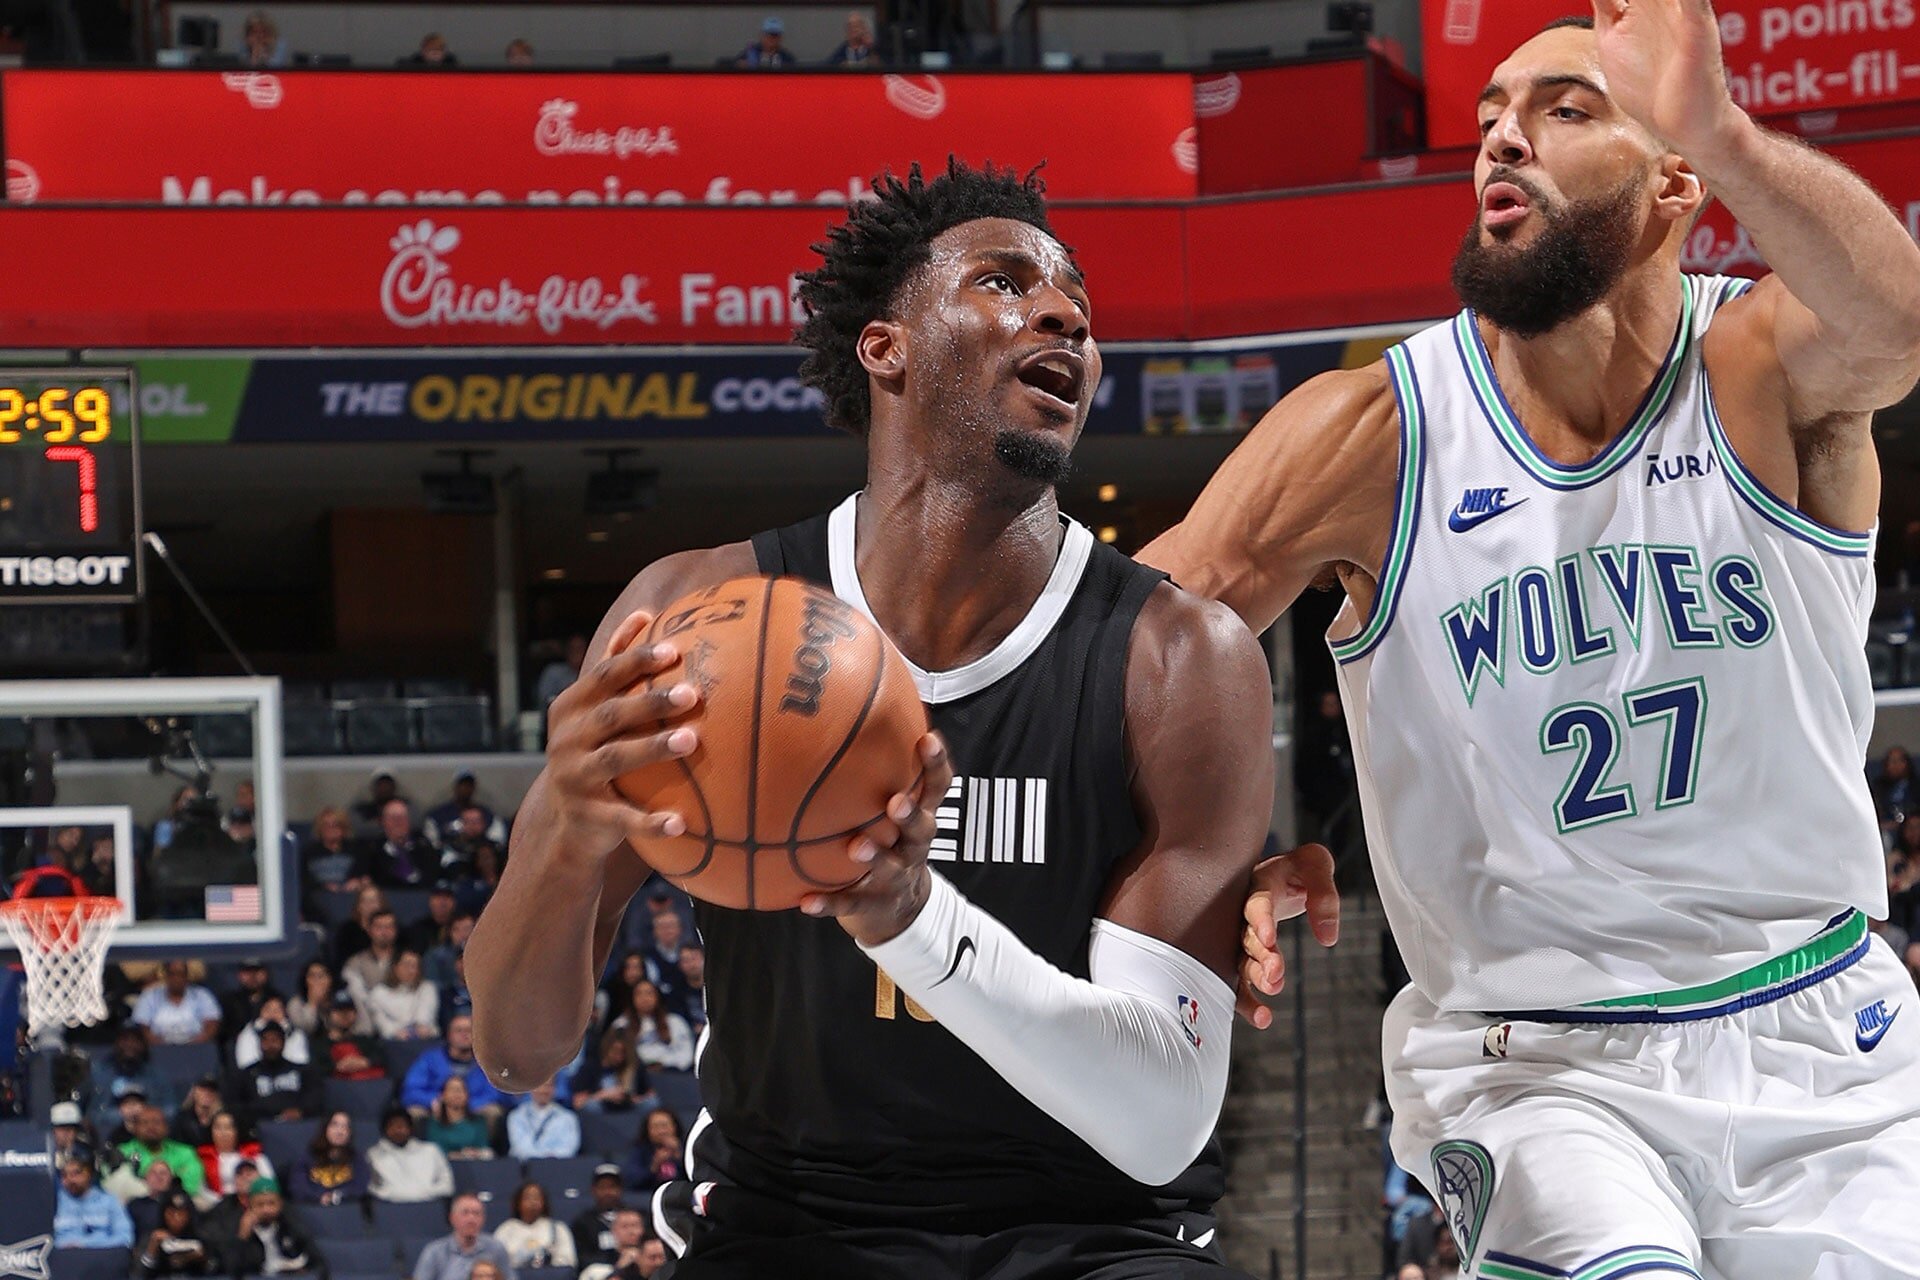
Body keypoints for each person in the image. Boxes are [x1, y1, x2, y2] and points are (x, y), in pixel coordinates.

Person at [1147, 11, 1920, 1279]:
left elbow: (1895, 328)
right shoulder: (1378, 432)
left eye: (1566, 108)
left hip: (1822, 1037)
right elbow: (1128, 654)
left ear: (1675, 179)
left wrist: (1723, 129)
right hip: (1539, 1058)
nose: (1504, 133)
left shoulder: (1758, 370)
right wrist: (1205, 837)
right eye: (1495, 110)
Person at [471, 160, 1278, 1276]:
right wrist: (564, 827)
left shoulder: (1179, 658)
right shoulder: (689, 619)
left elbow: (1159, 1121)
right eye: (1003, 281)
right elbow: (517, 1051)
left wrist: (910, 917)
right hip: (791, 1221)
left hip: (1097, 1234)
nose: (1064, 315)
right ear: (885, 344)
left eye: (1078, 307)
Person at [402, 1012, 509, 1117]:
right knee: (414, 1111)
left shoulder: (486, 1061)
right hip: (436, 1110)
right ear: (449, 1035)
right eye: (459, 1031)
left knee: (493, 1111)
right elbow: (411, 1090)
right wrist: (438, 1101)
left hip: (473, 1110)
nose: (464, 1035)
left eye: (469, 1031)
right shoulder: (429, 1059)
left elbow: (495, 1094)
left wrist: (466, 1104)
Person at [218, 1178, 313, 1278]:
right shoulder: (236, 1226)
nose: (266, 1210)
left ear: (280, 1204)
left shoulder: (290, 1225)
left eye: (271, 1203)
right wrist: (243, 1235)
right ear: (250, 1205)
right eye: (260, 1205)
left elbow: (315, 1257)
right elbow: (233, 1270)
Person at [230, 1022, 319, 1128]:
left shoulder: (302, 1071)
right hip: (259, 1127)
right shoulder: (247, 1074)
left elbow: (315, 1097)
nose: (270, 1045)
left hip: (297, 1126)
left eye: (275, 1040)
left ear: (283, 1042)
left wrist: (301, 1111)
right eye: (265, 1040)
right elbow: (237, 1105)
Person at [414, 1193, 517, 1280]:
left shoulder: (496, 1248)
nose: (471, 1219)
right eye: (465, 1213)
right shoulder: (434, 1252)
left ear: (483, 1219)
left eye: (476, 1213)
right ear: (452, 1218)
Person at [368, 1106, 454, 1202]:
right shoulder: (373, 1155)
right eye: (393, 1126)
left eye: (402, 1126)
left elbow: (447, 1185)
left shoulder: (431, 1150)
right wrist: (399, 1194)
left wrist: (423, 1193)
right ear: (385, 1129)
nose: (398, 1130)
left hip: (429, 1206)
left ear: (410, 1128)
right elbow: (372, 1188)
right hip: (391, 1208)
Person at [121, 1103, 207, 1199]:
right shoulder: (123, 1152)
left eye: (156, 1122)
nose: (151, 1127)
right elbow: (121, 1185)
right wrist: (174, 1177)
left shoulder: (185, 1153)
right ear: (136, 1128)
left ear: (166, 1127)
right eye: (145, 1123)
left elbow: (191, 1185)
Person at [608, 981, 692, 1074]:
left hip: (671, 1074)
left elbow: (686, 1054)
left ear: (658, 997)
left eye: (649, 993)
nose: (644, 998)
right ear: (632, 998)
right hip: (635, 1077)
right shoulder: (621, 1024)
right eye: (639, 994)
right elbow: (614, 1056)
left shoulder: (675, 1022)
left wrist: (664, 1064)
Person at [54, 1153, 134, 1249]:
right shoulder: (53, 1202)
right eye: (64, 1175)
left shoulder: (109, 1201)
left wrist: (85, 1244)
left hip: (100, 1257)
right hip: (63, 1258)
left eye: (76, 1173)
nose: (70, 1179)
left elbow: (125, 1238)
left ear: (88, 1174)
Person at [132, 961, 221, 1045]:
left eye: (181, 974)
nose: (177, 978)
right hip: (158, 1051)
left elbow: (212, 1025)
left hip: (196, 1050)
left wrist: (191, 1046)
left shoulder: (202, 994)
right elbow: (143, 1027)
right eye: (172, 974)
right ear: (166, 976)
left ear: (187, 976)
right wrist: (163, 1046)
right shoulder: (150, 995)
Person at [494, 1182, 578, 1270]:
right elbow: (496, 1264)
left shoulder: (558, 1229)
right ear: (518, 1202)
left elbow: (568, 1263)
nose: (532, 1202)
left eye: (536, 1198)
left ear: (543, 1202)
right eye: (528, 1198)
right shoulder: (506, 1230)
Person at [292, 1110, 368, 1206]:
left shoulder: (357, 1158)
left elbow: (360, 1187)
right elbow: (298, 1187)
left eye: (345, 1127)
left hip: (345, 1211)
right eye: (334, 1125)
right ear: (325, 1129)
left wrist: (336, 1196)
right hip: (315, 1211)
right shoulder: (307, 1157)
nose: (340, 1131)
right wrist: (318, 1196)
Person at [135, 1189, 216, 1277]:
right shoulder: (153, 1237)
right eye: (171, 1213)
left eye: (181, 1214)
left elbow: (216, 1268)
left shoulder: (201, 1235)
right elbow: (139, 1273)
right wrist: (152, 1249)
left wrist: (203, 1259)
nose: (176, 1218)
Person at [195, 1110, 272, 1198]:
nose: (223, 1133)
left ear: (237, 1130)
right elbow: (200, 1189)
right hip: (218, 1205)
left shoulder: (255, 1156)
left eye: (228, 1127)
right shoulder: (202, 1158)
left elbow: (269, 1184)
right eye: (218, 1127)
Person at [318, 985, 388, 1081]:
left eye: (349, 1010)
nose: (345, 1015)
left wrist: (365, 1062)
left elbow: (383, 1058)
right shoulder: (319, 1043)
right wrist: (339, 1066)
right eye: (339, 1011)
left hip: (365, 1088)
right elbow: (316, 1068)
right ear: (328, 1014)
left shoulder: (364, 1040)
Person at [424, 772, 507, 853]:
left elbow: (497, 842)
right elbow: (432, 843)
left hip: (478, 859)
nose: (466, 789)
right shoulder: (439, 815)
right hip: (449, 858)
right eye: (462, 785)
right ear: (455, 787)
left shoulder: (486, 814)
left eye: (469, 785)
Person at [367, 948, 440, 1039]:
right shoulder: (378, 993)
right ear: (395, 967)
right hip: (394, 1041)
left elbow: (424, 1017)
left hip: (424, 1038)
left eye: (415, 966)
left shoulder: (427, 988)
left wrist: (419, 1028)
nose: (412, 971)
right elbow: (381, 1022)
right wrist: (395, 1032)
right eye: (407, 965)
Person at [343, 908, 400, 1015]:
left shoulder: (405, 961)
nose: (384, 932)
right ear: (370, 930)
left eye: (388, 927)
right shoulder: (355, 963)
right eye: (379, 927)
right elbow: (357, 996)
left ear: (395, 930)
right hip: (366, 1019)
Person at [506, 1078, 579, 1160]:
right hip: (525, 1169)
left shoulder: (568, 1118)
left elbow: (568, 1149)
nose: (543, 1090)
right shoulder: (516, 1116)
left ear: (554, 1089)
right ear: (531, 1088)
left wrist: (548, 1159)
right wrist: (540, 1160)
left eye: (547, 1086)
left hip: (557, 1167)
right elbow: (520, 1148)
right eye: (539, 1086)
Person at [569, 1165, 627, 1268]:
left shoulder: (634, 1216)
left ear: (620, 1189)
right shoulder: (583, 1222)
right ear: (593, 1190)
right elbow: (582, 1258)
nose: (608, 1192)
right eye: (602, 1187)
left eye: (612, 1186)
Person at [574, 1034, 648, 1113]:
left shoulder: (631, 1067)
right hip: (601, 1109)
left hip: (627, 1109)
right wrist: (605, 1095)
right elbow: (578, 1102)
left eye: (623, 1052)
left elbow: (649, 1093)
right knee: (590, 1106)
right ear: (607, 1048)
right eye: (616, 1051)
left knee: (651, 1103)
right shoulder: (590, 1068)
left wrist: (633, 1098)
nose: (618, 1057)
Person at [300, 807, 365, 897]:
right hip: (318, 896)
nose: (331, 829)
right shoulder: (309, 852)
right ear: (319, 828)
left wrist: (356, 881)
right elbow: (304, 880)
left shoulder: (357, 850)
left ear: (344, 828)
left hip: (349, 894)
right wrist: (323, 886)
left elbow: (363, 874)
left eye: (335, 825)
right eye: (326, 825)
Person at [426, 1075, 494, 1160]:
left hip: (476, 1165)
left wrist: (476, 1153)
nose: (457, 1093)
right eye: (452, 1089)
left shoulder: (478, 1121)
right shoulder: (435, 1124)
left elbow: (485, 1149)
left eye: (461, 1089)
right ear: (442, 1095)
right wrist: (459, 1155)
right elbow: (435, 1151)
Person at [234, 996, 311, 1068]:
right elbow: (246, 1064)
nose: (273, 1014)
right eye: (268, 1009)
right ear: (260, 1011)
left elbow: (300, 1063)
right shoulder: (249, 1034)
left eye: (277, 1010)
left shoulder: (296, 1035)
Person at [619, 1107, 681, 1196]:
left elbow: (695, 1177)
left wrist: (677, 1156)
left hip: (680, 1197)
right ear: (648, 1130)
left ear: (674, 1127)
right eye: (655, 1127)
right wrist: (654, 1166)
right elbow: (633, 1182)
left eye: (664, 1126)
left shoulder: (687, 1148)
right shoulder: (639, 1151)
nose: (661, 1131)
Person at [576, 1205, 647, 1280]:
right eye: (624, 1226)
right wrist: (619, 1268)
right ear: (613, 1230)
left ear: (643, 1229)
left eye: (635, 1226)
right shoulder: (597, 1265)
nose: (631, 1231)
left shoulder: (654, 1258)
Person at [535, 635, 587, 716]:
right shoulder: (553, 672)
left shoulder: (592, 672)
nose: (576, 653)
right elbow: (546, 700)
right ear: (567, 651)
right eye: (572, 649)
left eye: (579, 649)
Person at [286, 960, 336, 1037]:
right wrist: (313, 1003)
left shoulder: (338, 999)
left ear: (330, 979)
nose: (317, 981)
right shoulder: (295, 1003)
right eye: (312, 976)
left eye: (321, 976)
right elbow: (305, 1030)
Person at [171, 1077, 224, 1148]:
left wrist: (214, 1117)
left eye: (211, 1090)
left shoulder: (223, 1118)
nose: (207, 1093)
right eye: (202, 1089)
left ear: (217, 1095)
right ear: (194, 1092)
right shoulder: (181, 1119)